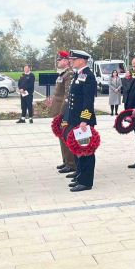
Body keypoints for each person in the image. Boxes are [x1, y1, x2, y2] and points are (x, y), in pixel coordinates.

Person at [63, 50, 97, 191]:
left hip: (83, 121)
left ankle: (86, 182)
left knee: (86, 151)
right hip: (75, 119)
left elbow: (88, 101)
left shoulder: (88, 76)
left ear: (82, 60)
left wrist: (84, 120)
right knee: (78, 150)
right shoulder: (78, 74)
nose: (70, 61)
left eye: (73, 59)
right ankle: (80, 176)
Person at [49, 52, 75, 175]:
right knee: (61, 136)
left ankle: (71, 163)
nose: (58, 62)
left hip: (63, 111)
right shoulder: (63, 74)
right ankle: (66, 161)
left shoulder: (69, 74)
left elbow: (67, 95)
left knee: (65, 136)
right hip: (59, 109)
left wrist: (62, 112)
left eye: (59, 60)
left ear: (66, 61)